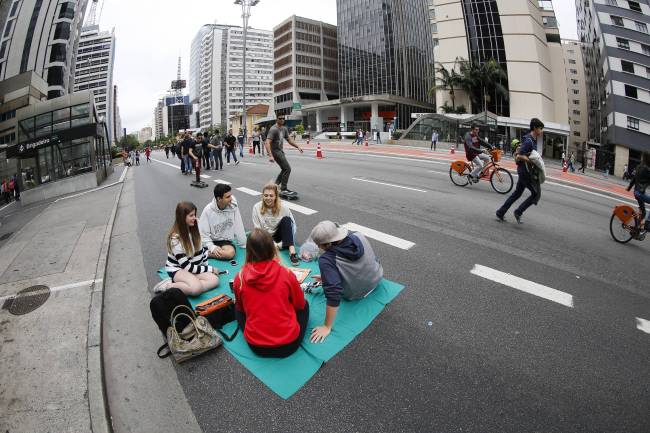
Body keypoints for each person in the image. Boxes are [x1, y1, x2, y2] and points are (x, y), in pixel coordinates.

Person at [233, 228, 309, 358]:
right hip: (289, 345)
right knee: (305, 306)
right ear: (272, 248)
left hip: (256, 347)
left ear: (248, 251)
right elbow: (299, 305)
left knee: (237, 309)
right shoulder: (286, 274)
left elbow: (241, 309)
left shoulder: (239, 277)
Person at [308, 221, 383, 343]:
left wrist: (327, 326)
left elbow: (333, 293)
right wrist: (326, 276)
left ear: (327, 244)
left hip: (357, 293)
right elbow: (362, 263)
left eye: (319, 244)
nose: (318, 247)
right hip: (376, 277)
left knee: (333, 286)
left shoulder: (326, 259)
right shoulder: (358, 235)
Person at [154, 202, 220, 296]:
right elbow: (186, 266)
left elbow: (201, 252)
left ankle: (188, 285)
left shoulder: (195, 226)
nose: (195, 218)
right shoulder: (175, 239)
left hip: (192, 268)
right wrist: (209, 269)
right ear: (182, 217)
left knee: (215, 280)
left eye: (195, 214)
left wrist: (205, 266)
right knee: (196, 289)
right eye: (191, 215)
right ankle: (169, 285)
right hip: (178, 269)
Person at [496, 118, 545, 224]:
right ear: (535, 128)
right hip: (525, 173)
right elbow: (519, 156)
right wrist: (532, 162)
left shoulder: (532, 139)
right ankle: (518, 211)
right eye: (540, 129)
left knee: (517, 193)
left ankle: (500, 212)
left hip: (523, 171)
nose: (542, 131)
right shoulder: (529, 140)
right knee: (536, 194)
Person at [252, 183, 300, 266]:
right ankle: (278, 247)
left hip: (280, 236)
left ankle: (292, 253)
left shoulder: (284, 207)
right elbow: (257, 229)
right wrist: (271, 244)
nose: (268, 198)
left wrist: (280, 244)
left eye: (271, 196)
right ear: (262, 196)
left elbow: (292, 227)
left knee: (287, 220)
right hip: (265, 238)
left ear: (276, 196)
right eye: (266, 195)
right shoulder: (256, 207)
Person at [199, 183, 246, 261]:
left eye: (230, 195)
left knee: (230, 253)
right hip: (210, 240)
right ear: (219, 199)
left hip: (224, 240)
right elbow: (203, 234)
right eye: (227, 197)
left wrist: (243, 243)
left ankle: (205, 254)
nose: (231, 198)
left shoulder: (233, 205)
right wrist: (211, 247)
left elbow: (238, 224)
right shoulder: (208, 210)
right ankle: (204, 252)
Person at [265, 115, 304, 196]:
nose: (282, 120)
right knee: (287, 169)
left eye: (283, 119)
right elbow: (267, 142)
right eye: (280, 118)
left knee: (284, 169)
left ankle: (275, 186)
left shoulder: (284, 128)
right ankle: (283, 188)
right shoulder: (273, 129)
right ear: (277, 119)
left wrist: (298, 146)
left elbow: (289, 140)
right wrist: (270, 155)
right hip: (275, 152)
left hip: (280, 151)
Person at [627, 153, 650, 231]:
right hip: (640, 193)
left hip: (636, 192)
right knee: (644, 213)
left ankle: (635, 229)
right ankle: (648, 223)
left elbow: (634, 179)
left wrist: (629, 188)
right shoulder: (647, 169)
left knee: (643, 213)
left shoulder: (639, 166)